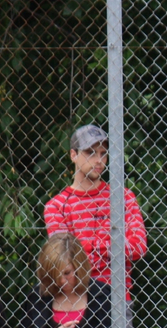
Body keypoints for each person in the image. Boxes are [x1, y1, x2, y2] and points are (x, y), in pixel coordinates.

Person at [44, 124, 147, 304]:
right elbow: (64, 261)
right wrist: (112, 247)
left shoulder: (123, 197)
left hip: (118, 298)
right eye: (90, 152)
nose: (99, 160)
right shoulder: (56, 206)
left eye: (103, 153)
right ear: (73, 155)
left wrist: (89, 246)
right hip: (76, 301)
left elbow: (138, 247)